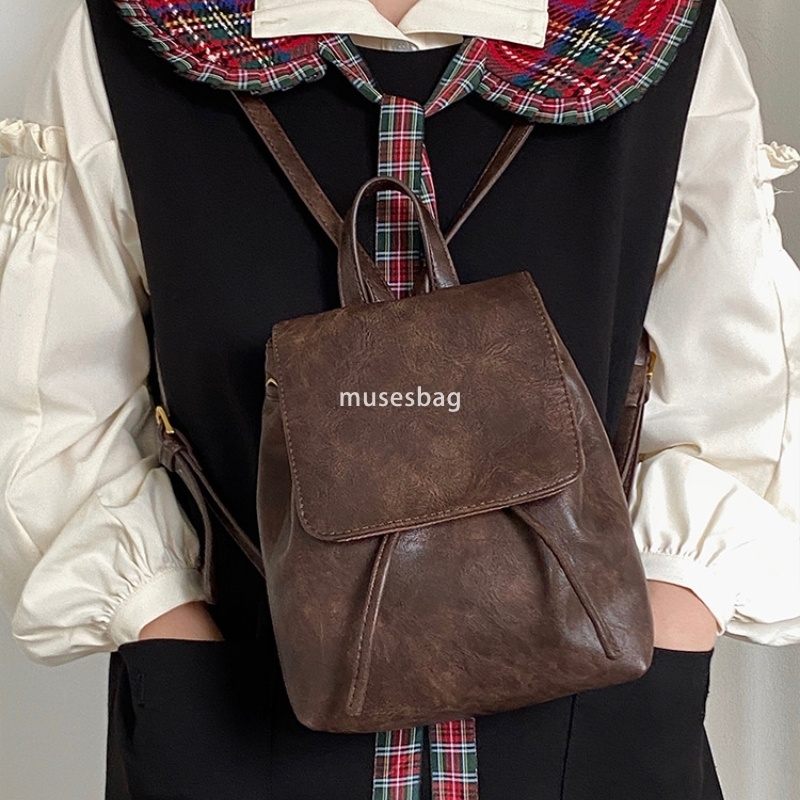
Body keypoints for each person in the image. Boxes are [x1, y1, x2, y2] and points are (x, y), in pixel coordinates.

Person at [0, 0, 798, 798]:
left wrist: (679, 607)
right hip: (238, 723)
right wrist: (161, 621)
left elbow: (742, 380)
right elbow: (48, 397)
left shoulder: (657, 28)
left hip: (586, 740)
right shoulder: (138, 32)